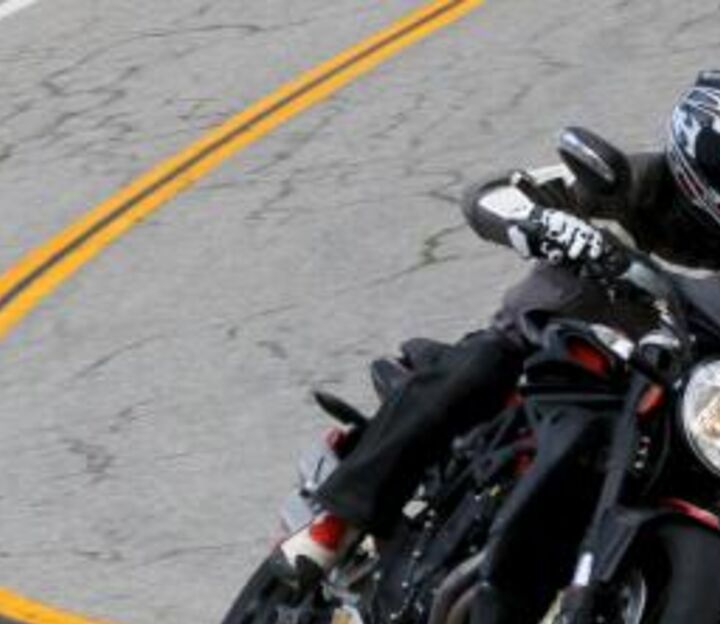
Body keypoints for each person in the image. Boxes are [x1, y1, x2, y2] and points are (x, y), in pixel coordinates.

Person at [274, 70, 720, 588]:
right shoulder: (639, 183)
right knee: (485, 363)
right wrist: (545, 224)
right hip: (558, 342)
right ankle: (338, 519)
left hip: (671, 385)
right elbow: (489, 195)